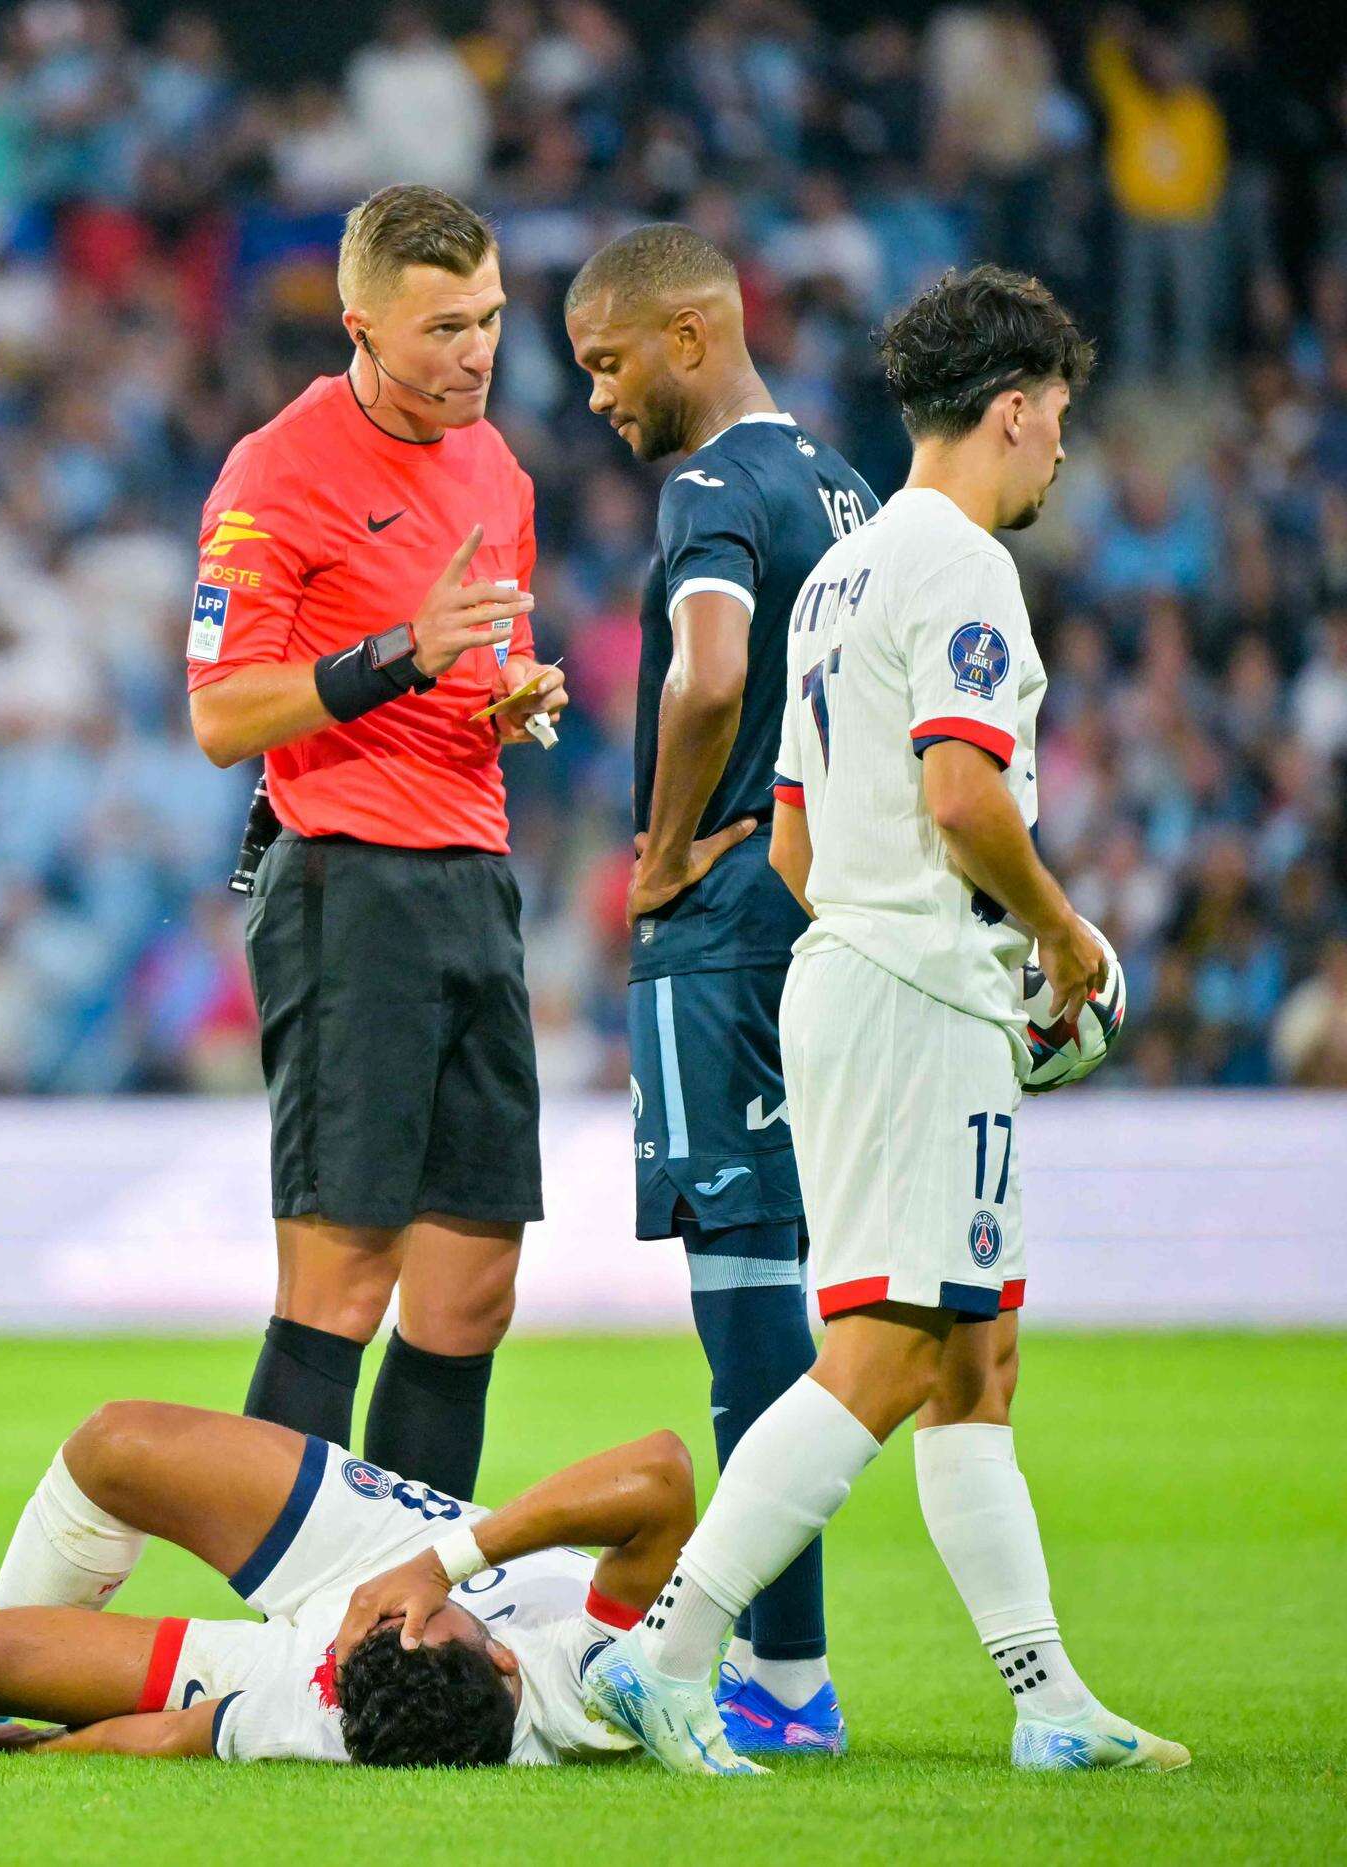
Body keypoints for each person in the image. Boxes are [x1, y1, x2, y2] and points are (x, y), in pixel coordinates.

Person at [587, 267, 1188, 1777]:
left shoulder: (844, 578)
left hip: (846, 970)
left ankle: (1046, 1698)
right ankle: (671, 1656)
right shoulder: (952, 560)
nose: (1060, 449)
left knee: (972, 1355)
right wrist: (1059, 940)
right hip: (919, 989)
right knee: (877, 1352)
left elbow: (792, 838)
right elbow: (964, 792)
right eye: (1056, 419)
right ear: (1013, 407)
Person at [184, 183, 566, 1500]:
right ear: (359, 324)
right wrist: (403, 652)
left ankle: (408, 1620)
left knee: (470, 1289)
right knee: (339, 1281)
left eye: (493, 319)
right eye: (446, 326)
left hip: (475, 878)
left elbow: (484, 656)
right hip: (344, 885)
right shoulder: (276, 472)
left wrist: (513, 695)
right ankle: (284, 1625)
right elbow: (221, 712)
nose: (477, 352)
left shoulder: (497, 470)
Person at [561, 223, 879, 1755]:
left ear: (689, 334)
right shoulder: (847, 488)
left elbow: (707, 669)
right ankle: (783, 1660)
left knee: (747, 1300)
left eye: (609, 363)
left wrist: (669, 845)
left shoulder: (709, 491)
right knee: (816, 1293)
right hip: (827, 916)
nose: (602, 400)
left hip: (728, 927)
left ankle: (783, 1678)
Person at [0, 1398, 685, 1769]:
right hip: (404, 1544)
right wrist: (433, 1568)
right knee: (117, 1447)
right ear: (499, 1651)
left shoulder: (339, 1712)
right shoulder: (589, 1684)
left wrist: (10, 1749)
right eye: (412, 1623)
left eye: (389, 1629)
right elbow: (660, 1474)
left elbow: (175, 1738)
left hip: (326, 1652)